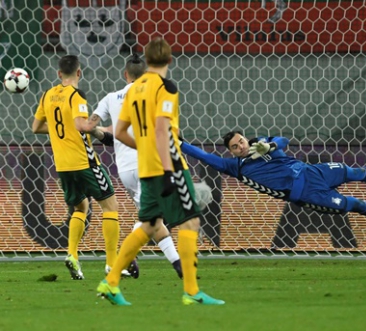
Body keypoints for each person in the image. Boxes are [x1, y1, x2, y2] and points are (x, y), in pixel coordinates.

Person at [96, 38, 224, 306]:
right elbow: (162, 129)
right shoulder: (166, 88)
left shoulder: (133, 90)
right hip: (170, 165)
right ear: (169, 60)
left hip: (146, 167)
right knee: (190, 221)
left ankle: (111, 282)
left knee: (150, 224)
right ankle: (191, 291)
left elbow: (119, 133)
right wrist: (168, 169)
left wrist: (144, 150)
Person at [89, 54, 183, 279]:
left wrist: (92, 130)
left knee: (153, 217)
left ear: (125, 74)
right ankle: (124, 258)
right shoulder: (154, 94)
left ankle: (179, 264)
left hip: (125, 170)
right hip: (149, 164)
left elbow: (92, 126)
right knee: (151, 218)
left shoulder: (111, 97)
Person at [32, 55, 121, 280]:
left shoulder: (47, 95)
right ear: (79, 73)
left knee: (80, 207)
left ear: (59, 73)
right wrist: (102, 132)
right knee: (110, 206)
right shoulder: (76, 96)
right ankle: (111, 264)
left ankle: (72, 254)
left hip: (62, 165)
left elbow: (36, 127)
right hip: (84, 161)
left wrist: (57, 129)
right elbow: (81, 124)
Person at [180, 132, 366, 218]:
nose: (241, 146)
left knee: (356, 172)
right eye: (235, 146)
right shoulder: (234, 166)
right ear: (231, 152)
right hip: (306, 192)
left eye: (241, 140)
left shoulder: (260, 143)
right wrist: (178, 143)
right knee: (355, 205)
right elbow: (203, 155)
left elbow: (283, 140)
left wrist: (268, 146)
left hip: (313, 171)